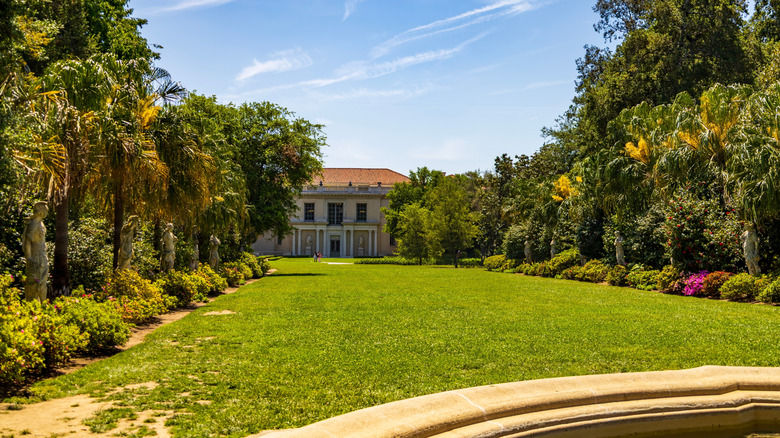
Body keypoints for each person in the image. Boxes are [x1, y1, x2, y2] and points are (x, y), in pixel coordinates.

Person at [22, 201, 48, 302]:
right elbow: (28, 241)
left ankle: (43, 304)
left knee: (43, 282)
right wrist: (29, 257)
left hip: (43, 255)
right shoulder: (33, 224)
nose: (47, 212)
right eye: (46, 209)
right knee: (35, 283)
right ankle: (33, 304)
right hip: (36, 256)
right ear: (41, 211)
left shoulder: (41, 224)